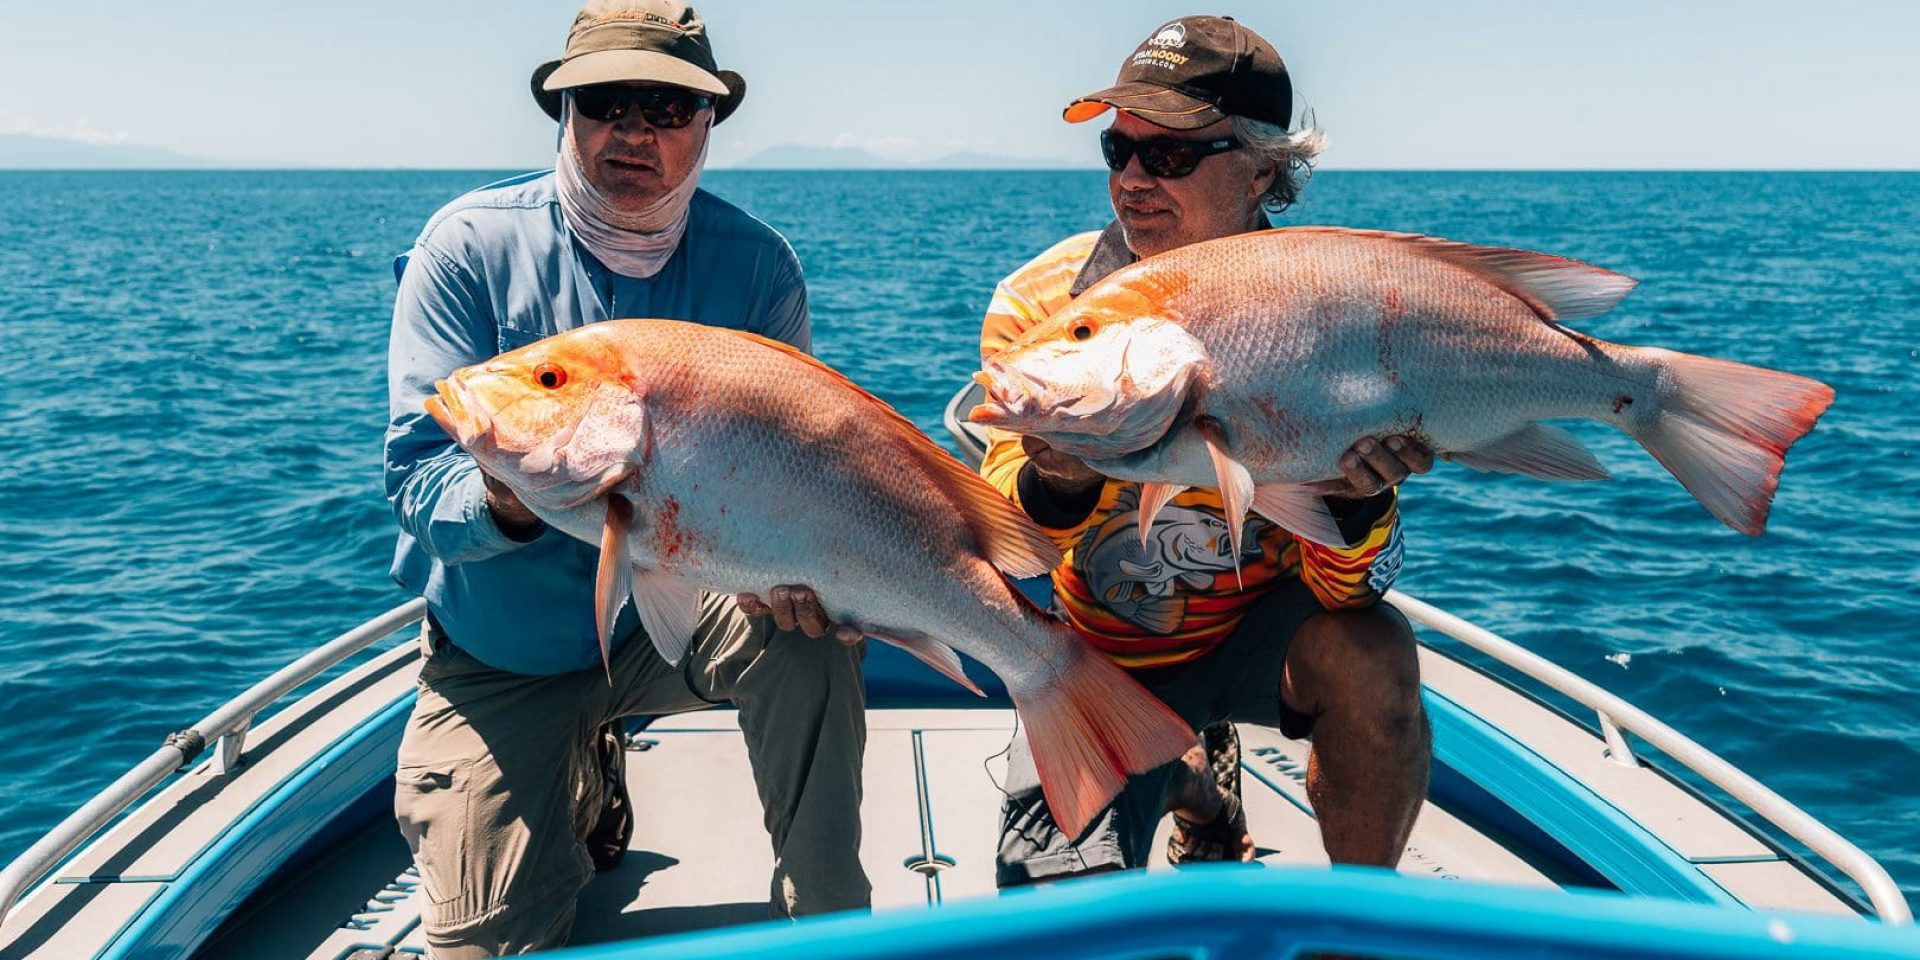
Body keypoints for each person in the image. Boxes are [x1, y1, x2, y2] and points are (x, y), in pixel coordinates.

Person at [382, 2, 868, 954]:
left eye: (667, 106)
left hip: (678, 609)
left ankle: (834, 930)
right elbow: (413, 481)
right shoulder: (468, 248)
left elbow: (801, 467)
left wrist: (814, 574)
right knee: (484, 946)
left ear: (708, 125)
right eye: (605, 103)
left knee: (811, 642)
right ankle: (581, 765)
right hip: (502, 652)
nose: (633, 131)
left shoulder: (759, 268)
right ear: (565, 115)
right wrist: (512, 496)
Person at [980, 15, 1434, 885]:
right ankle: (1199, 789)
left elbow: (1351, 590)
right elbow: (1017, 560)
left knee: (1376, 652)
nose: (1134, 180)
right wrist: (1057, 477)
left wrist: (1356, 499)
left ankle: (1356, 926)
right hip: (1101, 648)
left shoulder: (1331, 310)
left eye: (1172, 157)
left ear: (1264, 168)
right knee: (1050, 909)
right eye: (1119, 151)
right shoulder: (1043, 312)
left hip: (1267, 632)